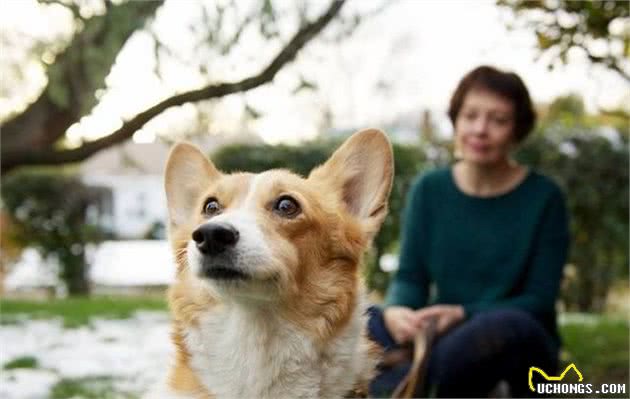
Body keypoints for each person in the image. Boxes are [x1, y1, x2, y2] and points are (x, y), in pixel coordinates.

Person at [368, 65, 570, 397]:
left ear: (517, 130)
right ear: (456, 120)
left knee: (493, 333)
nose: (480, 129)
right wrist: (397, 312)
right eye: (470, 115)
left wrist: (463, 313)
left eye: (498, 120)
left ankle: (404, 376)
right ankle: (406, 373)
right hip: (439, 331)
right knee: (360, 317)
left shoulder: (544, 197)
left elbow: (539, 300)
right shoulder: (429, 189)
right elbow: (410, 277)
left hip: (514, 334)